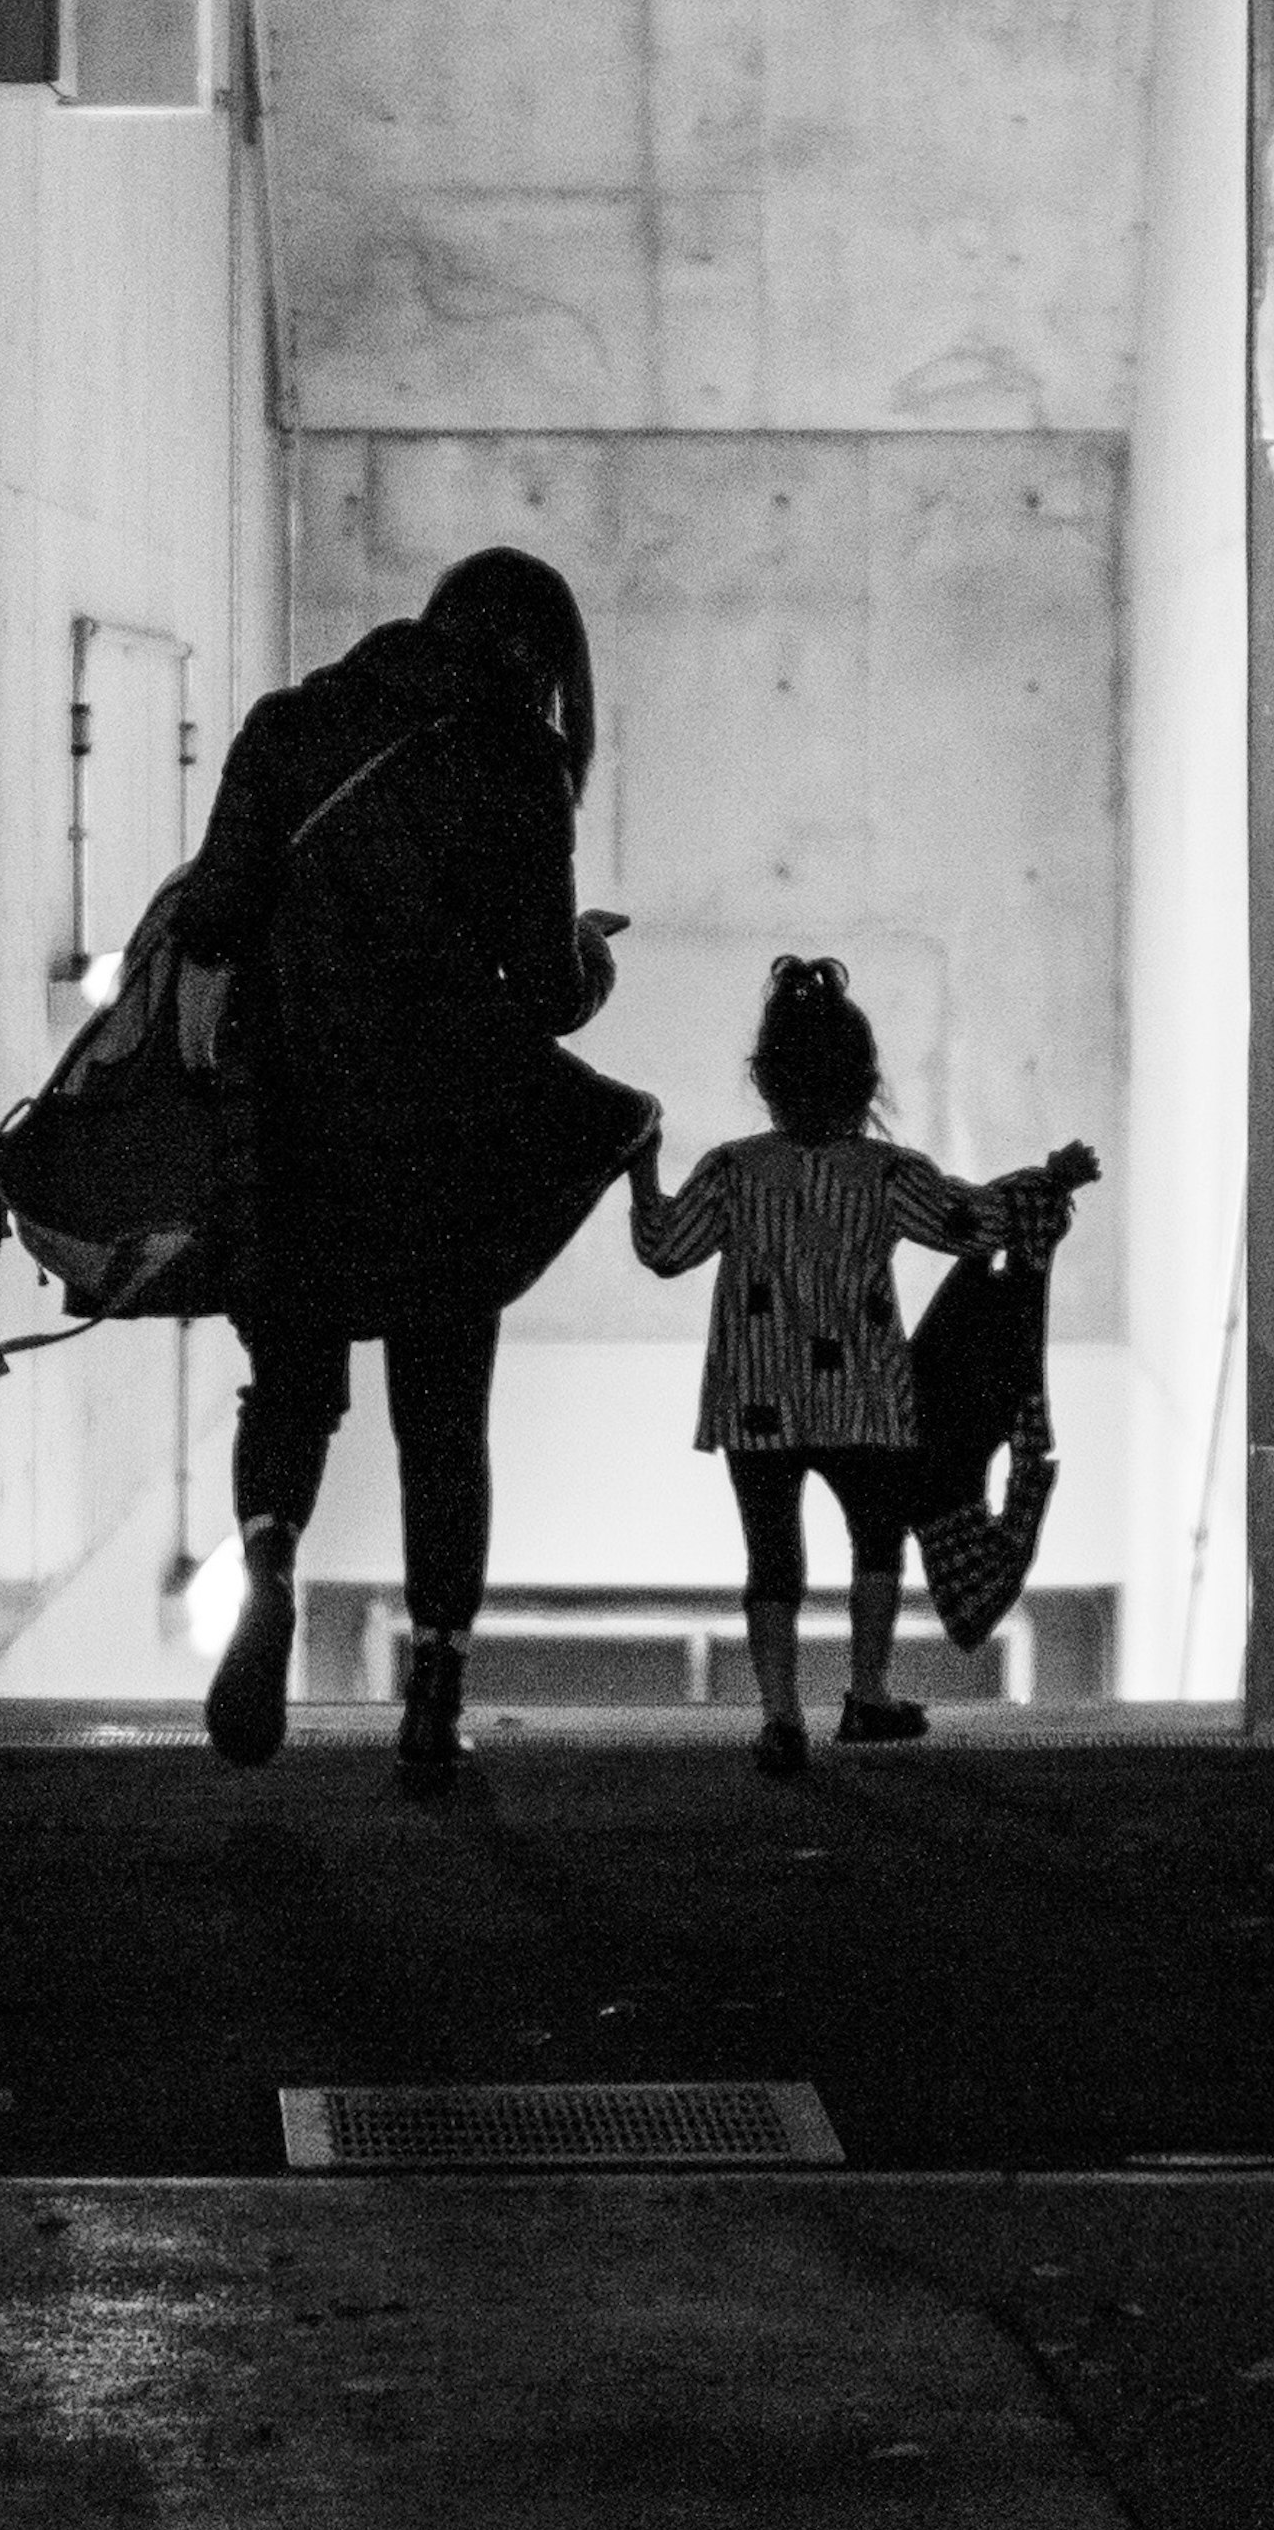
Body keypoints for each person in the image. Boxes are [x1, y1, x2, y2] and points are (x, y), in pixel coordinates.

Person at [174, 547, 651, 1788]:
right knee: (443, 1425)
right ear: (536, 659)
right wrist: (591, 956)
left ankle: (269, 1563)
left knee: (288, 1390)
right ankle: (433, 1699)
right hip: (443, 1140)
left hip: (287, 1126)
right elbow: (544, 994)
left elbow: (213, 920)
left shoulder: (288, 727)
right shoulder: (516, 759)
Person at [627, 955, 1084, 1770]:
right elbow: (974, 1222)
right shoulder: (886, 1174)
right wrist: (1047, 1183)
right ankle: (866, 1697)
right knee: (877, 1540)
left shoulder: (734, 1171)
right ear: (866, 1081)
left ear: (764, 1078)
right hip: (865, 1400)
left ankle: (780, 1718)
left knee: (771, 1557)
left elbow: (665, 1247)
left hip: (755, 1399)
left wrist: (640, 1165)